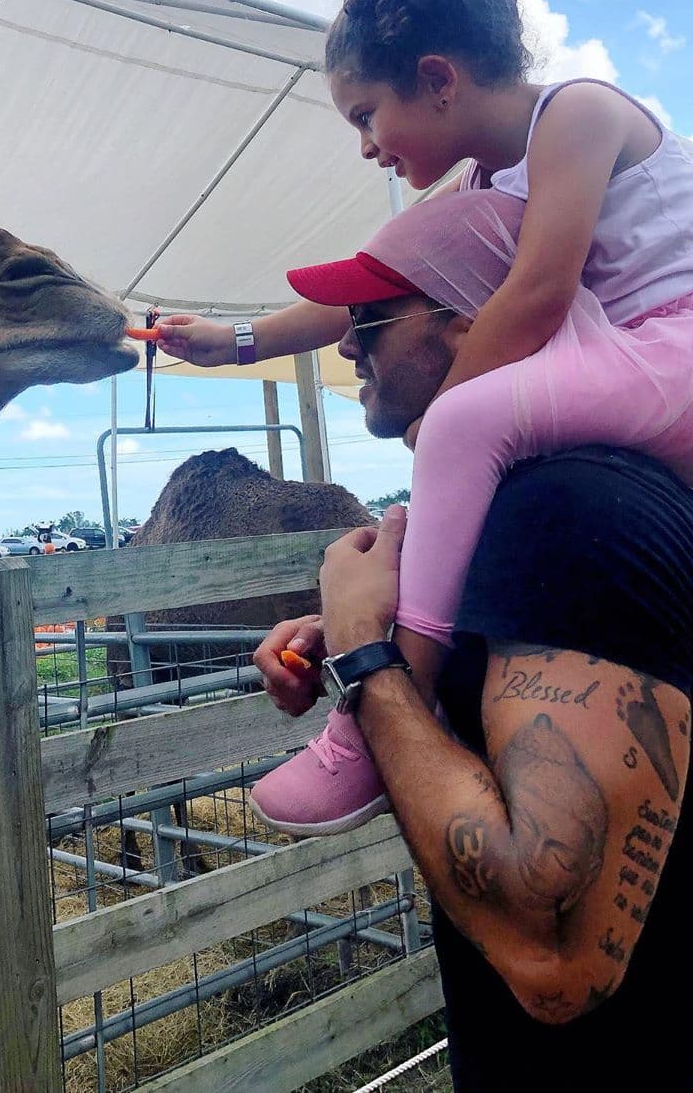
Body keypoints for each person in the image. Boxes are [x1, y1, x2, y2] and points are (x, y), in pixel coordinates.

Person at [158, 0, 693, 834]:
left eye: (367, 115)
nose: (368, 147)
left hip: (674, 342)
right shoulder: (487, 185)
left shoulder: (578, 115)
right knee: (455, 480)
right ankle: (384, 649)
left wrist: (438, 419)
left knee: (466, 434)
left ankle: (377, 710)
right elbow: (375, 289)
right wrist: (237, 340)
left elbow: (535, 297)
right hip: (621, 359)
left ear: (439, 77)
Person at [250, 307, 692, 1084]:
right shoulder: (562, 498)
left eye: (371, 316)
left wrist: (365, 655)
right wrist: (370, 631)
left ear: (463, 320)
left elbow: (553, 955)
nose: (346, 343)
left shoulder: (564, 509)